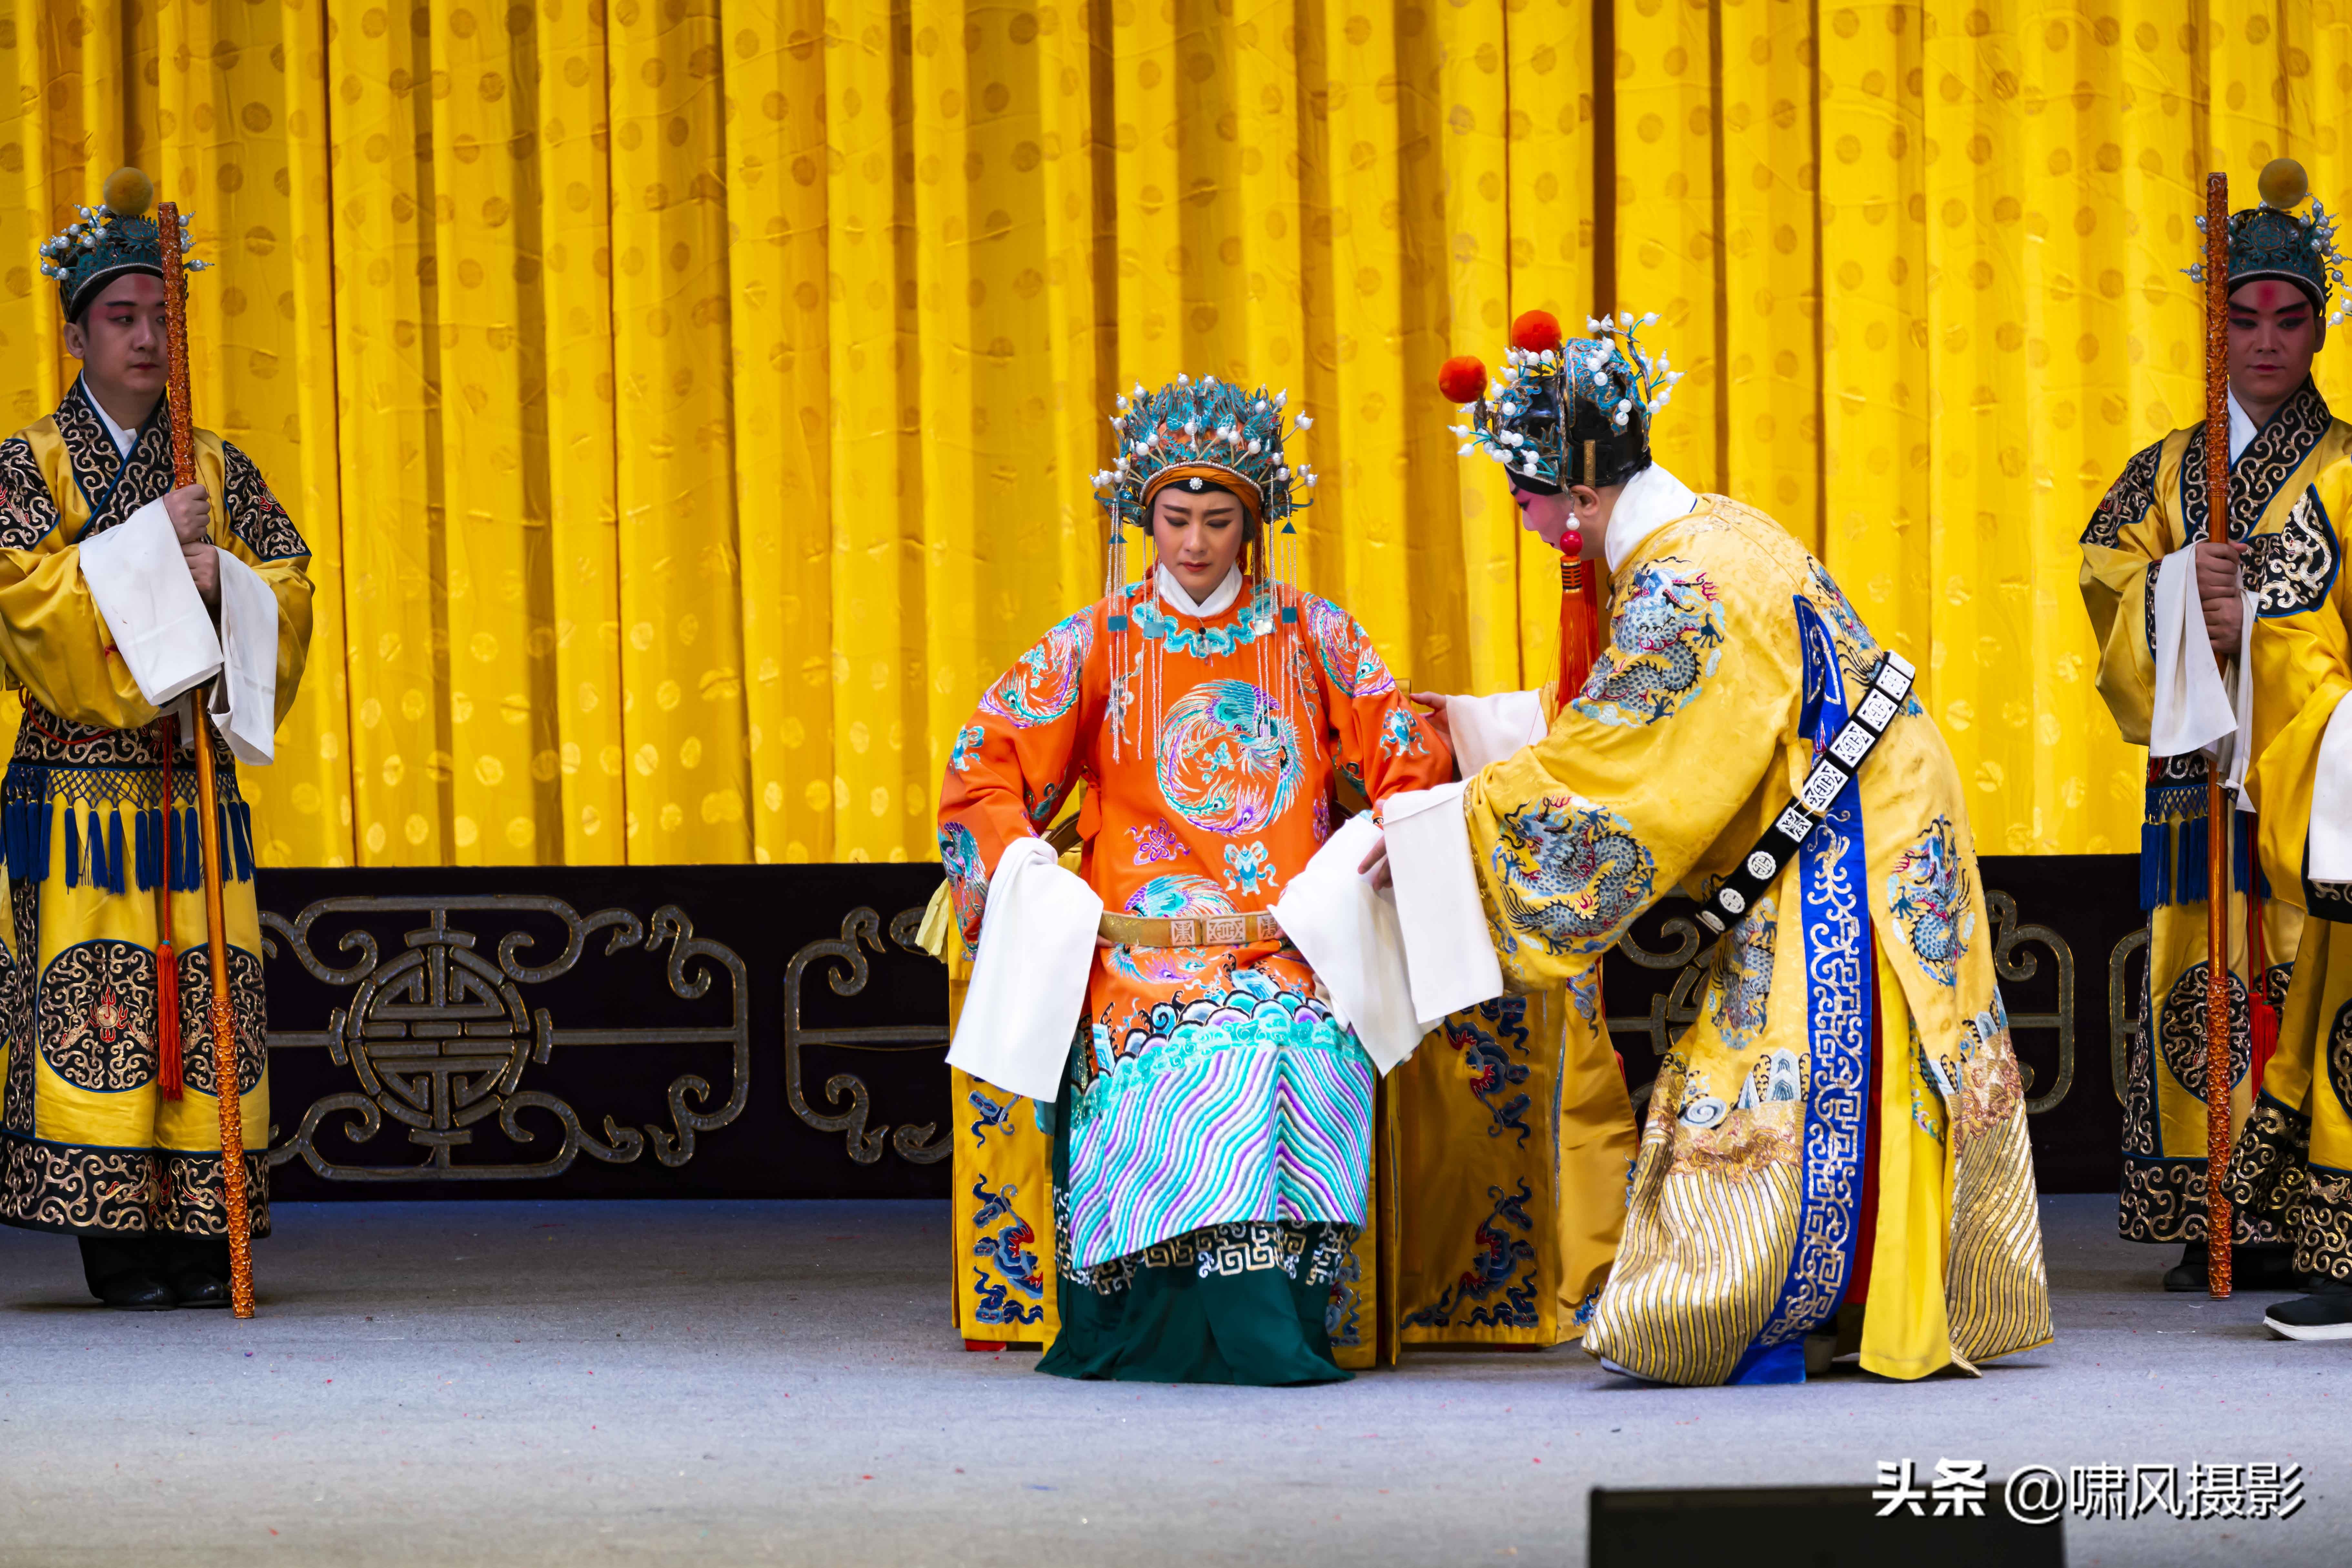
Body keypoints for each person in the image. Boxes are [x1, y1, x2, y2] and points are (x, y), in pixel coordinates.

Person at [1386, 309, 2051, 1385]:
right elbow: (1629, 726)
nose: (1522, 517)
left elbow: (1624, 761)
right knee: (1841, 1050)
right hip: (1867, 796)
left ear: (1581, 499)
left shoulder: (1683, 581)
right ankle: (1855, 1297)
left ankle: (1751, 1307)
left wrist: (1461, 818)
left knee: (1787, 1054)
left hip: (1842, 826)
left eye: (1526, 497)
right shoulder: (1709, 530)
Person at [936, 374, 1459, 1383]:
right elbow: (985, 760)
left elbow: (1403, 738)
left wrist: (1401, 817)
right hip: (1140, 950)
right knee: (1205, 1051)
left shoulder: (1311, 634)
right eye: (1175, 518)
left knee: (1293, 1039)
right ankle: (1158, 1327)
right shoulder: (1099, 639)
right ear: (1144, 519)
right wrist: (1023, 863)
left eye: (1220, 520)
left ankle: (1275, 1329)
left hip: (1283, 940)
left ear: (1254, 523)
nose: (1194, 543)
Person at [0, 169, 312, 1308]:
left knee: (204, 998)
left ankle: (198, 1226)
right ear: (75, 332)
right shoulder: (25, 468)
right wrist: (142, 544)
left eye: (160, 317)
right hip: (80, 797)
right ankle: (113, 1239)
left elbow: (291, 586)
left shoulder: (217, 468)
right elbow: (28, 605)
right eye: (121, 318)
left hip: (191, 793)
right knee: (106, 1002)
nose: (144, 338)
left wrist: (220, 579)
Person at [2077, 159, 2351, 1292]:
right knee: (2202, 972)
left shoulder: (2347, 465)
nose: (2267, 343)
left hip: (2319, 768)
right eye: (2242, 319)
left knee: (2305, 956)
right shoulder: (2164, 472)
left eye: (2290, 319)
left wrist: (2271, 623)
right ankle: (2211, 1205)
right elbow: (2106, 575)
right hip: (2201, 767)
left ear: (2322, 327)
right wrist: (2186, 596)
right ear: (2214, 322)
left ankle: (2312, 1194)